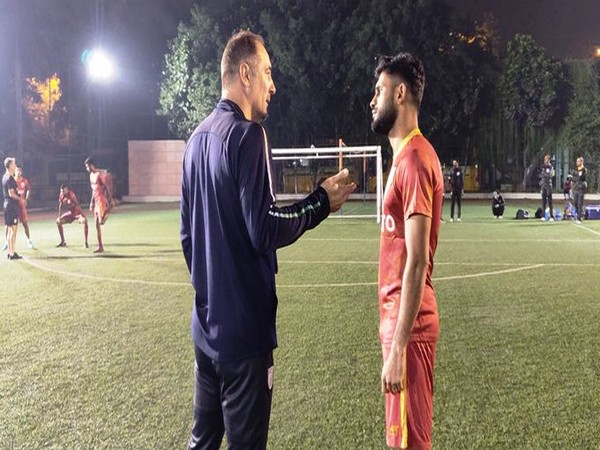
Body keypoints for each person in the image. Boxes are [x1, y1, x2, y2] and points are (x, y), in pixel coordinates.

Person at [180, 30, 355, 450]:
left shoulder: (195, 141)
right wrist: (320, 202)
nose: (272, 86)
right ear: (245, 73)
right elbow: (264, 227)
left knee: (202, 441)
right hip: (243, 340)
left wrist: (210, 296)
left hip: (205, 331)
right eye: (267, 73)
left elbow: (187, 238)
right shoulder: (247, 135)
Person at [370, 53, 443, 449]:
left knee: (410, 445)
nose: (372, 99)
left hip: (409, 330)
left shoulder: (414, 159)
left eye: (379, 90)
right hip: (402, 326)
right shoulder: (404, 158)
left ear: (400, 94)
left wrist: (398, 347)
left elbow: (417, 262)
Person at [85, 157, 114, 253]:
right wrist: (91, 202)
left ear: (92, 165)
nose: (87, 168)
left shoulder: (98, 175)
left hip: (101, 200)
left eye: (88, 166)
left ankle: (110, 208)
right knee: (97, 225)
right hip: (96, 201)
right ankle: (100, 246)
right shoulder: (90, 176)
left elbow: (105, 187)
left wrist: (111, 199)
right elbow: (94, 190)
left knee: (102, 222)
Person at [2, 157, 24, 260]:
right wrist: (20, 199)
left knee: (10, 229)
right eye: (14, 164)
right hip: (11, 206)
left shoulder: (4, 177)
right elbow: (11, 193)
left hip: (7, 205)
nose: (15, 165)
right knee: (13, 230)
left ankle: (10, 252)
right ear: (10, 165)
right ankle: (12, 253)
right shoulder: (10, 178)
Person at [14, 165, 35, 248]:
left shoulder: (25, 181)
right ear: (15, 171)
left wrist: (26, 198)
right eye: (17, 170)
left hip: (22, 207)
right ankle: (9, 243)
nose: (19, 172)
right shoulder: (12, 181)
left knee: (25, 224)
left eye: (20, 170)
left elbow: (29, 189)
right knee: (12, 226)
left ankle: (29, 240)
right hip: (14, 207)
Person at [539, 154, 554, 222]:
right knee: (543, 201)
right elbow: (541, 175)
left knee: (550, 201)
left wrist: (545, 175)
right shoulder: (543, 167)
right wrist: (544, 175)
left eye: (546, 159)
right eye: (545, 159)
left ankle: (551, 216)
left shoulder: (550, 167)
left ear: (549, 160)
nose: (545, 161)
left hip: (549, 185)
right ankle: (543, 216)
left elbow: (550, 175)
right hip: (543, 185)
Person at [573, 156, 587, 223]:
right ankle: (581, 213)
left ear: (581, 162)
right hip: (576, 188)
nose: (577, 162)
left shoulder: (584, 169)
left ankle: (579, 218)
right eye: (576, 161)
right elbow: (574, 178)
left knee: (580, 203)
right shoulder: (575, 170)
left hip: (581, 188)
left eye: (578, 161)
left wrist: (578, 178)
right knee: (575, 202)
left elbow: (582, 178)